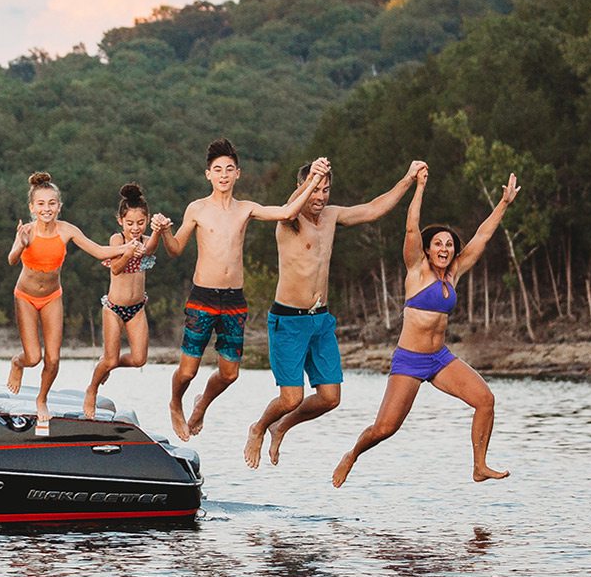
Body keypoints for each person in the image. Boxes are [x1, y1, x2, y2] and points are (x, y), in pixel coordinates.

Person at [332, 167, 520, 487]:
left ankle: (479, 465)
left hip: (440, 359)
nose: (444, 249)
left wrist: (503, 203)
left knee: (485, 400)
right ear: (428, 249)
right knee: (385, 428)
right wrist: (419, 187)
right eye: (438, 244)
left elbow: (482, 236)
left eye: (448, 244)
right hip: (410, 360)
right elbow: (410, 229)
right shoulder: (417, 270)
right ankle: (352, 454)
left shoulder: (454, 272)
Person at [244, 158, 430, 469]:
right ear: (303, 188)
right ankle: (259, 427)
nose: (319, 197)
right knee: (290, 398)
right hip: (288, 320)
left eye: (325, 190)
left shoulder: (331, 217)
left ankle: (282, 426)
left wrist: (408, 178)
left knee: (330, 397)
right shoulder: (288, 219)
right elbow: (292, 204)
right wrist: (311, 178)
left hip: (320, 320)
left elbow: (374, 208)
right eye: (314, 190)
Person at [153, 138, 329, 442]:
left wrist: (313, 178)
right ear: (208, 174)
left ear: (238, 174)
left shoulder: (246, 209)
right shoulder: (197, 209)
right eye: (217, 169)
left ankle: (202, 403)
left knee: (230, 374)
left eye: (229, 169)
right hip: (203, 297)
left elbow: (287, 213)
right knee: (187, 371)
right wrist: (164, 231)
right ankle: (174, 403)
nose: (223, 174)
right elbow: (175, 249)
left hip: (234, 300)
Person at [7, 171, 141, 432]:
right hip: (24, 296)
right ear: (32, 208)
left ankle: (41, 399)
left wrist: (126, 248)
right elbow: (12, 260)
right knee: (33, 357)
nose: (47, 209)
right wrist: (21, 244)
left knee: (54, 360)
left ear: (59, 206)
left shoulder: (67, 230)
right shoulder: (27, 231)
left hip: (52, 297)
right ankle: (17, 363)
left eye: (52, 203)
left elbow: (99, 251)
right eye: (41, 204)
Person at [82, 183, 166, 419]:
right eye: (130, 223)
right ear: (120, 221)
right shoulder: (117, 240)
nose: (135, 228)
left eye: (140, 223)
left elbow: (150, 249)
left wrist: (158, 231)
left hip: (137, 308)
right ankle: (92, 389)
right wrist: (128, 252)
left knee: (139, 359)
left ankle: (108, 364)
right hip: (114, 308)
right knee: (109, 358)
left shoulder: (146, 239)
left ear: (147, 220)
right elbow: (117, 269)